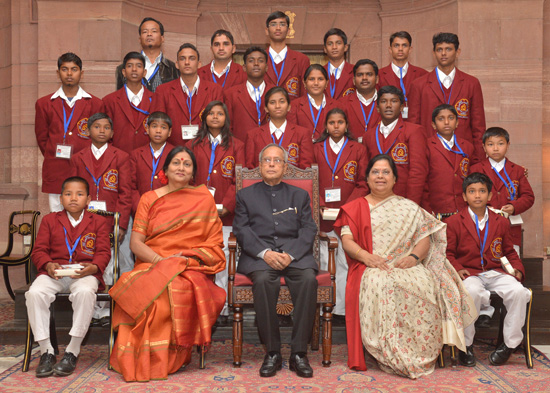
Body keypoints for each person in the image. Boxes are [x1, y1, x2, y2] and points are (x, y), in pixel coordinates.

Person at [334, 154, 476, 377]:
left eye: (386, 172)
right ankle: (388, 352)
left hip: (406, 264)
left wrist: (415, 258)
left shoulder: (409, 207)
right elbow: (347, 240)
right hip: (372, 265)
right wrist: (366, 256)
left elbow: (424, 238)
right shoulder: (355, 208)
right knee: (382, 284)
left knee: (424, 283)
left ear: (395, 179)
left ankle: (419, 352)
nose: (380, 176)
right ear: (367, 179)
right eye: (375, 172)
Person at [109, 146, 226, 382]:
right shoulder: (149, 198)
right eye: (176, 163)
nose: (181, 167)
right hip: (152, 263)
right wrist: (162, 262)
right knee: (147, 289)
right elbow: (135, 243)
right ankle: (141, 357)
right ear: (165, 169)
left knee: (174, 289)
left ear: (193, 172)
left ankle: (170, 358)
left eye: (187, 164)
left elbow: (214, 244)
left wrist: (180, 262)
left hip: (188, 265)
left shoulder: (203, 199)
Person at [233, 144, 319, 378]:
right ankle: (272, 352)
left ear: (285, 166)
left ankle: (299, 353)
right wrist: (265, 253)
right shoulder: (244, 195)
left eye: (277, 161)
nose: (271, 164)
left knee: (308, 279)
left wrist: (290, 254)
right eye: (267, 160)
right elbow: (241, 229)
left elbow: (309, 228)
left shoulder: (299, 195)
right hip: (259, 259)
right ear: (260, 166)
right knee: (262, 281)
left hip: (295, 257)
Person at [26, 176, 111, 377]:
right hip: (54, 273)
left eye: (80, 194)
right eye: (68, 194)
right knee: (35, 293)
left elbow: (103, 252)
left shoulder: (98, 221)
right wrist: (47, 264)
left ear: (88, 199)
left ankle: (73, 350)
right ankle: (47, 350)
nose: (74, 198)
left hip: (84, 273)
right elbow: (38, 250)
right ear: (61, 199)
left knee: (84, 292)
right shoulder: (49, 220)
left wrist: (94, 267)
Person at [446, 172, 531, 367]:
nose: (477, 195)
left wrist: (517, 269)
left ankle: (509, 345)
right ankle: (465, 346)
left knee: (518, 291)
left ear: (490, 196)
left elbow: (509, 251)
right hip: (470, 272)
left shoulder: (500, 221)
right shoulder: (453, 222)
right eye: (472, 191)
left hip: (494, 272)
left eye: (482, 191)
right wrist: (458, 268)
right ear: (464, 196)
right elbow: (448, 253)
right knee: (471, 292)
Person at [69, 113, 132, 323]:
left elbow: (125, 192)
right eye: (97, 127)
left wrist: (121, 224)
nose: (102, 131)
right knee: (87, 260)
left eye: (106, 127)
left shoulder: (120, 156)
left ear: (112, 132)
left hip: (110, 220)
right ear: (88, 131)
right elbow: (73, 190)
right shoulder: (78, 157)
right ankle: (90, 309)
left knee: (110, 263)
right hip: (85, 220)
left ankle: (105, 309)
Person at [186, 100, 245, 322]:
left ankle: (223, 308)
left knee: (223, 259)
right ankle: (203, 306)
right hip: (199, 213)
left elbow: (238, 179)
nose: (215, 117)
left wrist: (226, 206)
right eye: (210, 113)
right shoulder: (193, 144)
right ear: (204, 118)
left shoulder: (236, 146)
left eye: (220, 113)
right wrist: (200, 205)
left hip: (227, 215)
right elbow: (188, 178)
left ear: (226, 118)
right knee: (202, 259)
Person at [313, 108, 368, 318]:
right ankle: (322, 306)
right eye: (332, 123)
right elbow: (310, 177)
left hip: (348, 213)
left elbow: (363, 183)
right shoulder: (316, 148)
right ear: (326, 126)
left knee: (345, 261)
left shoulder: (358, 149)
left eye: (340, 122)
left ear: (347, 125)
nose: (336, 126)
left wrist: (347, 208)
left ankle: (342, 311)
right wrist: (318, 203)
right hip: (321, 214)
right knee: (324, 261)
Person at [35, 52, 104, 212]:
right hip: (56, 168)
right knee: (57, 216)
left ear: (81, 73)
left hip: (85, 168)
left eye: (74, 69)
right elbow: (42, 138)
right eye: (65, 69)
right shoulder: (44, 103)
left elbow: (99, 140)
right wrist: (54, 153)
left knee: (85, 217)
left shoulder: (95, 103)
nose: (69, 73)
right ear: (58, 73)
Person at [408, 32, 486, 162]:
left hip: (463, 156)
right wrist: (416, 158)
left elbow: (478, 127)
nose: (443, 53)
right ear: (434, 53)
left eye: (448, 49)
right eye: (439, 49)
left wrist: (479, 163)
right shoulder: (418, 85)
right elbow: (413, 127)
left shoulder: (471, 83)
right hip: (428, 155)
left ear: (458, 52)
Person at [470, 127, 535, 253]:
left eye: (500, 144)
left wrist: (514, 206)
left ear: (508, 145)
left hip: (510, 229)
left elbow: (528, 197)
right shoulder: (476, 169)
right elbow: (470, 196)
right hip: (483, 226)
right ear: (484, 147)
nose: (495, 148)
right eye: (490, 144)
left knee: (512, 265)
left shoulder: (517, 170)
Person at [362, 85, 428, 205]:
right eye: (383, 101)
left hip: (404, 201)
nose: (388, 105)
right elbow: (366, 173)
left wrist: (410, 205)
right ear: (377, 108)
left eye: (394, 101)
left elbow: (417, 172)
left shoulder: (414, 131)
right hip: (376, 202)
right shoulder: (369, 136)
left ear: (402, 107)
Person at [150, 43, 223, 146]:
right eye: (182, 59)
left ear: (199, 64)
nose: (187, 62)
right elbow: (157, 125)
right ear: (177, 64)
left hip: (206, 150)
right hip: (173, 152)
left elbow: (220, 125)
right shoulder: (163, 91)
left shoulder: (215, 90)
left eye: (192, 58)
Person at [423, 104, 474, 220]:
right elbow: (423, 180)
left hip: (463, 210)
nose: (446, 122)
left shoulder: (467, 147)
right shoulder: (426, 146)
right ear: (433, 125)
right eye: (441, 119)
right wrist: (427, 209)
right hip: (436, 211)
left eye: (451, 118)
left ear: (457, 123)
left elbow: (474, 175)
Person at [245, 87, 313, 169]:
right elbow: (249, 169)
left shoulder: (302, 134)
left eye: (282, 102)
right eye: (272, 102)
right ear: (266, 108)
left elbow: (306, 169)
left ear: (289, 107)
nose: (277, 106)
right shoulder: (253, 135)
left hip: (293, 181)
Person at [104, 51, 154, 155]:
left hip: (148, 159)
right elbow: (105, 134)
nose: (134, 69)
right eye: (130, 66)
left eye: (138, 66)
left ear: (144, 72)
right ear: (123, 72)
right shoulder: (109, 100)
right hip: (118, 158)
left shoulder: (155, 99)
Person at [129, 111, 175, 216]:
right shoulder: (136, 154)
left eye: (163, 128)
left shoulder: (176, 154)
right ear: (147, 129)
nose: (158, 131)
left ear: (169, 132)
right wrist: (140, 208)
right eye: (154, 126)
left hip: (168, 212)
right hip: (141, 211)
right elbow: (131, 186)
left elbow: (180, 185)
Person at [115, 17, 178, 92]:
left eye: (154, 31)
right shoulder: (123, 68)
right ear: (140, 39)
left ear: (162, 38)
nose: (149, 34)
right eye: (145, 32)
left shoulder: (174, 69)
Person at [223, 46, 272, 142]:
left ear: (266, 67)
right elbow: (227, 129)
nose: (256, 64)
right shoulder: (231, 94)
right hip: (241, 150)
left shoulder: (276, 92)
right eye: (251, 61)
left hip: (270, 151)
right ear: (244, 67)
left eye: (261, 61)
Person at [377, 31, 427, 119]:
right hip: (389, 125)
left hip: (414, 125)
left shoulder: (422, 74)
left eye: (404, 45)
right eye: (396, 45)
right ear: (390, 49)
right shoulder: (379, 75)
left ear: (410, 49)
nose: (400, 49)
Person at [264, 11, 310, 100]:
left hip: (293, 113)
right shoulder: (259, 59)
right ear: (267, 30)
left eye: (282, 24)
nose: (278, 28)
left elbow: (305, 95)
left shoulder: (302, 60)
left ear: (288, 31)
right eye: (273, 24)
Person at [287, 64, 341, 140]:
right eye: (312, 79)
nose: (316, 83)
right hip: (304, 150)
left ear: (327, 83)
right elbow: (292, 135)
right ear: (304, 82)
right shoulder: (294, 106)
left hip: (328, 150)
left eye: (320, 79)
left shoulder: (338, 106)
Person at [340, 59, 381, 142]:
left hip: (380, 152)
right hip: (351, 152)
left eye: (369, 74)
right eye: (360, 75)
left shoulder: (387, 103)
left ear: (377, 79)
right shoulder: (342, 103)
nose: (364, 78)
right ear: (354, 81)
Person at [323, 28, 355, 99]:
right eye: (330, 44)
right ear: (325, 49)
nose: (334, 47)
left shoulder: (355, 71)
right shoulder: (319, 73)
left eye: (338, 43)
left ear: (345, 47)